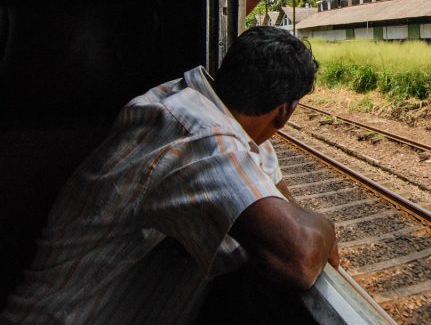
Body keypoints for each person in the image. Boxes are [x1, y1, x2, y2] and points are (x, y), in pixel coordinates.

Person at [2, 26, 339, 323]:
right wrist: (327, 225)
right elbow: (300, 254)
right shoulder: (198, 135)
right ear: (284, 111)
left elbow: (279, 196)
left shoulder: (188, 100)